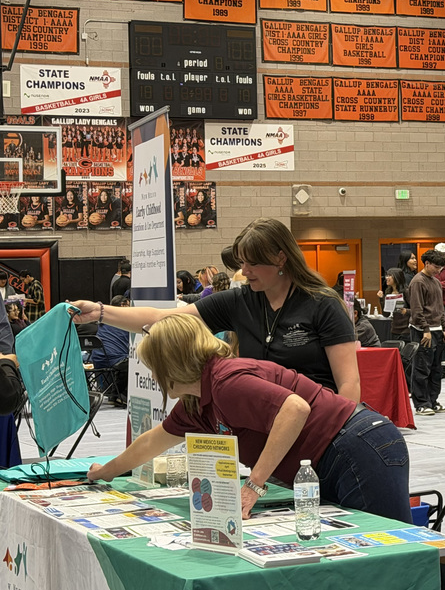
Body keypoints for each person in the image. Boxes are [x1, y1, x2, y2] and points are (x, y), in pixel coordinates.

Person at [86, 313, 412, 523]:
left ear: (169, 364)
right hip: (334, 456)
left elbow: (295, 409)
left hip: (358, 445)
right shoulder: (196, 401)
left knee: (397, 553)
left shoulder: (225, 381)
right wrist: (106, 472)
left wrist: (254, 485)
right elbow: (151, 442)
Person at [71, 217, 361, 401]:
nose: (244, 271)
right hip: (268, 429)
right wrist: (99, 312)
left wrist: (332, 433)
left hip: (319, 425)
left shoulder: (323, 304)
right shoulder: (240, 301)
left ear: (281, 258)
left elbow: (348, 384)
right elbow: (163, 318)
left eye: (252, 263)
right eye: (241, 263)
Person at [408, 249, 445, 415]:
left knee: (436, 368)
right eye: (435, 266)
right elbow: (417, 309)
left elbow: (440, 308)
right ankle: (421, 403)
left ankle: (433, 400)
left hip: (437, 330)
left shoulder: (436, 282)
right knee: (421, 367)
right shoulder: (418, 281)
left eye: (440, 267)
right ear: (426, 263)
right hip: (422, 331)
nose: (438, 270)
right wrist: (425, 329)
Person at [379, 268, 410, 343]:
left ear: (397, 277)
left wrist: (406, 311)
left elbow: (415, 310)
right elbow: (386, 314)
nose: (387, 278)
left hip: (407, 330)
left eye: (390, 276)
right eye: (387, 275)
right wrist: (381, 299)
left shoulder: (406, 291)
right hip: (394, 330)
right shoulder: (388, 292)